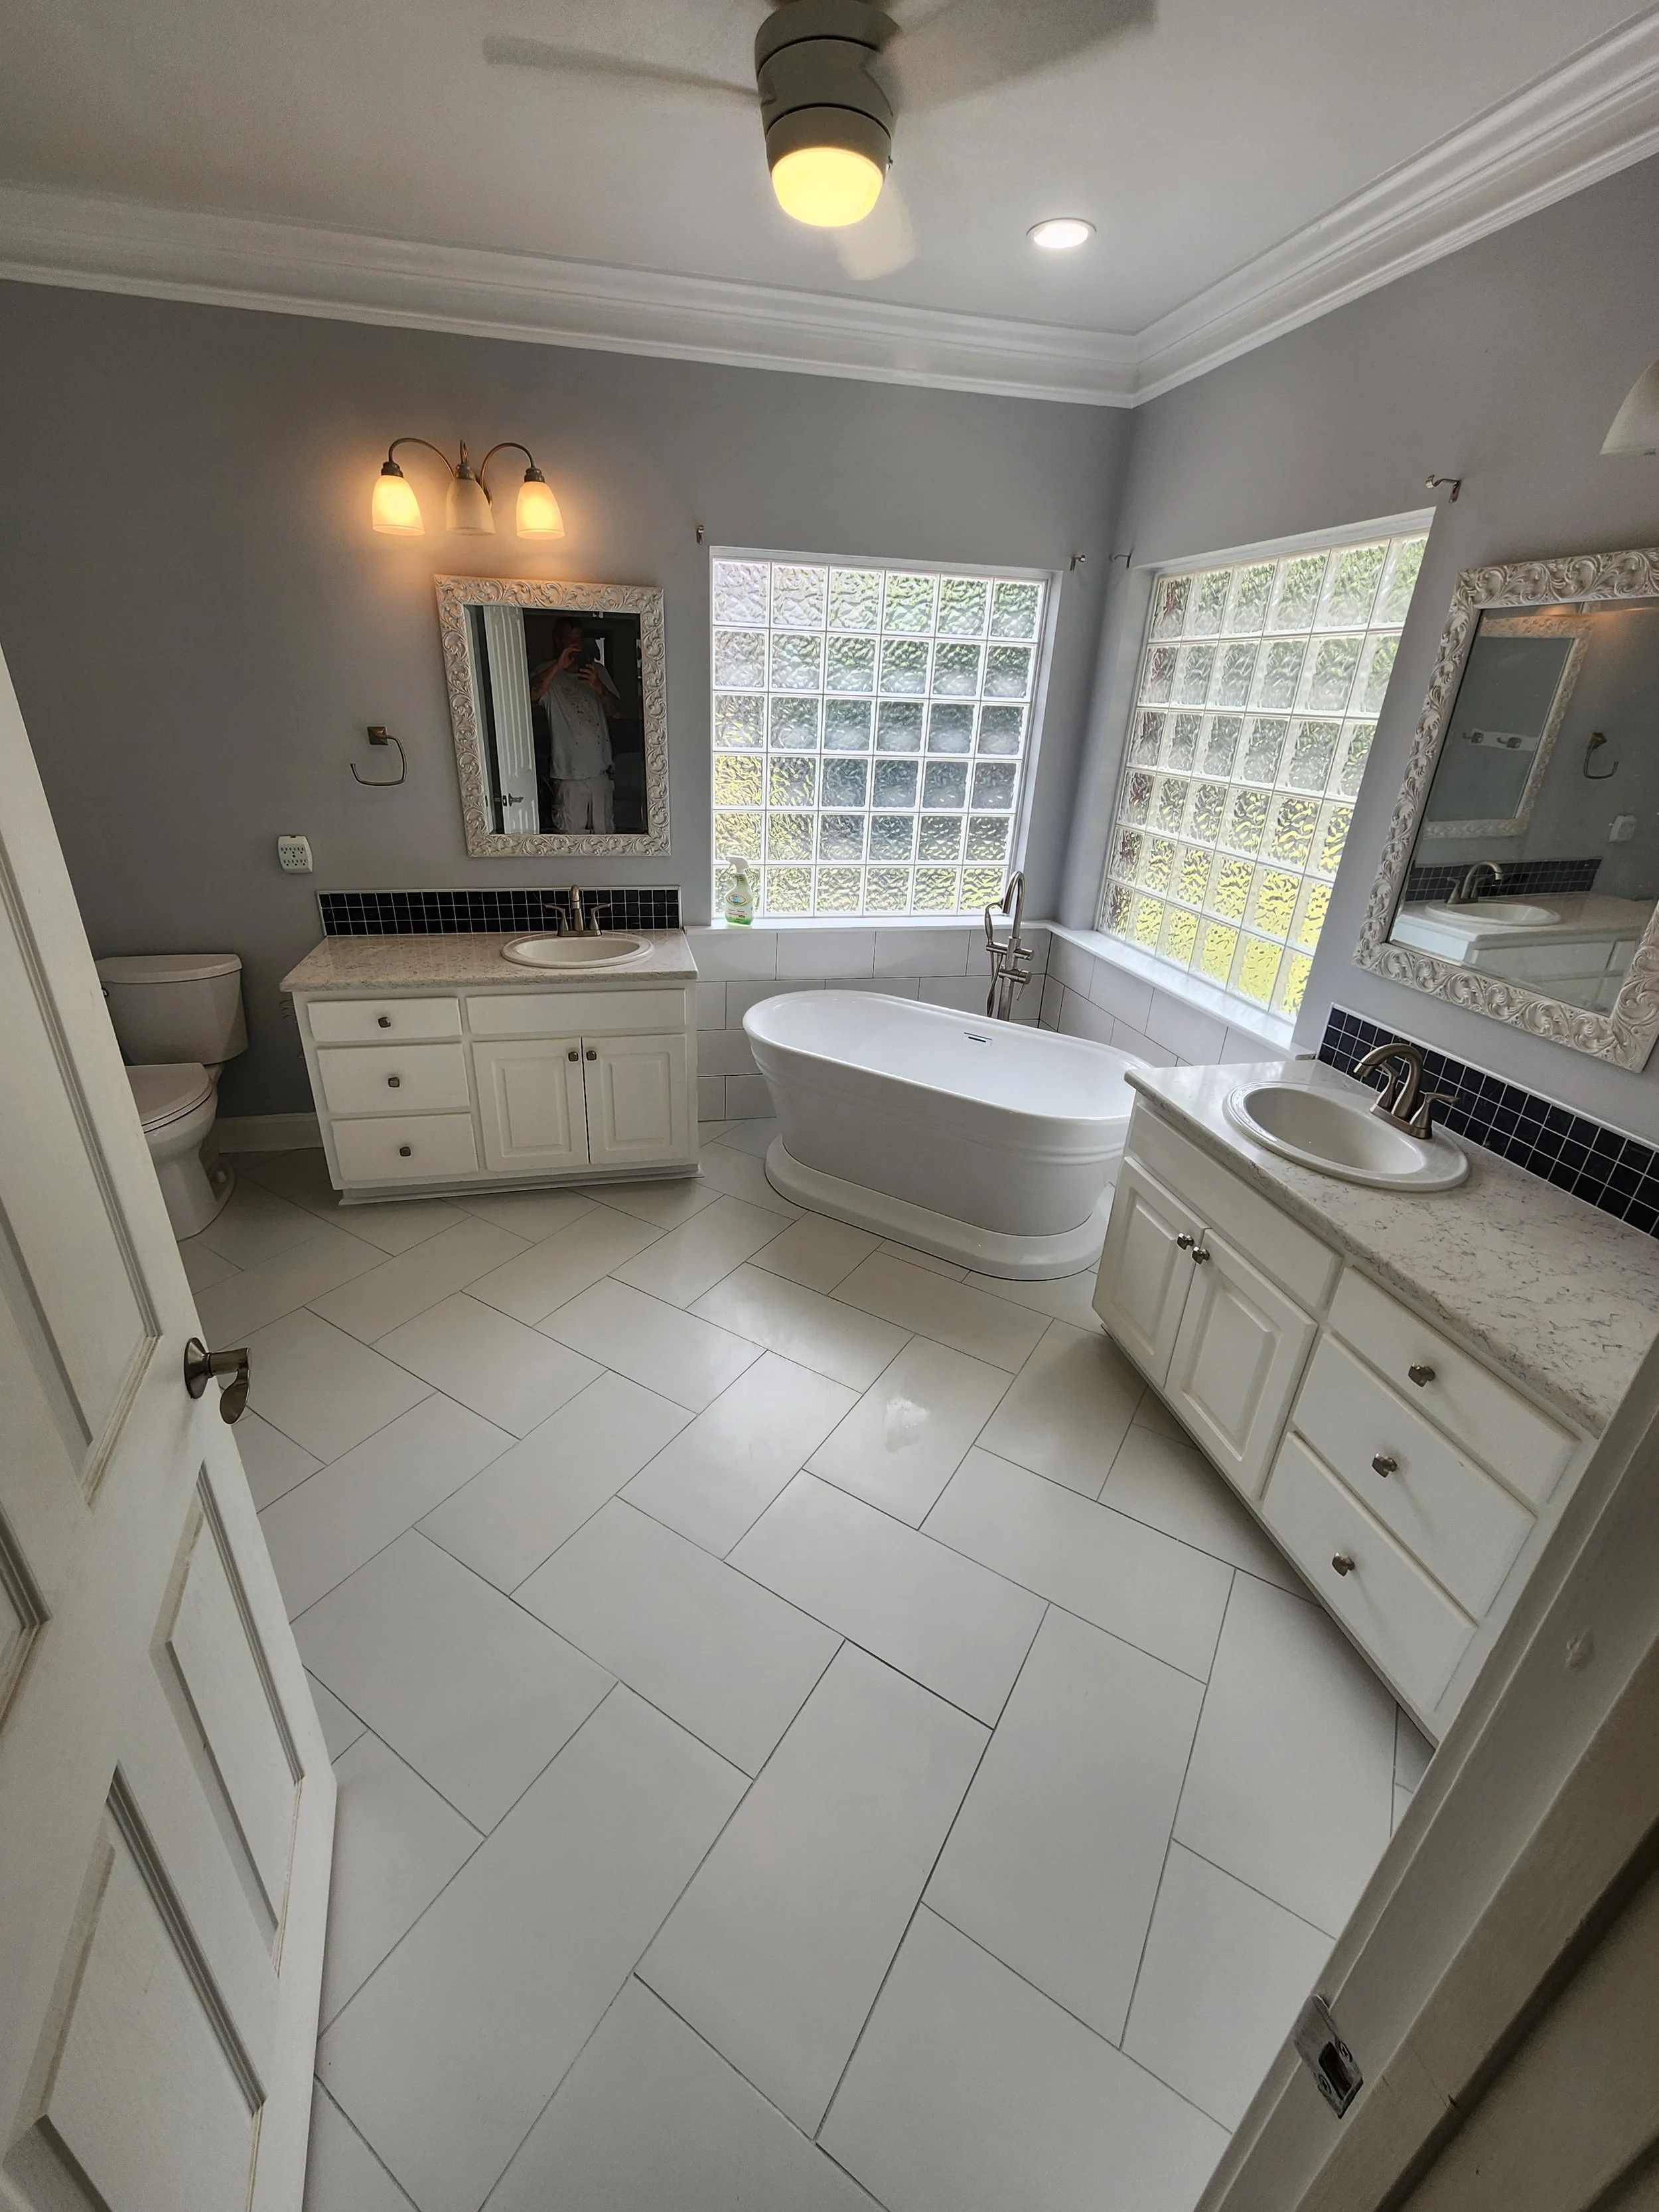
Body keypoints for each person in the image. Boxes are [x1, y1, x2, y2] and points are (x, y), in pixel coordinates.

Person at [530, 619, 620, 833]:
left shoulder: (597, 670)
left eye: (578, 638)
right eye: (570, 639)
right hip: (568, 773)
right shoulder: (546, 672)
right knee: (570, 838)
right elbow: (531, 694)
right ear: (558, 640)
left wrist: (599, 687)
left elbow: (617, 711)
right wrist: (558, 666)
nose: (575, 644)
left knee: (605, 835)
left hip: (601, 770)